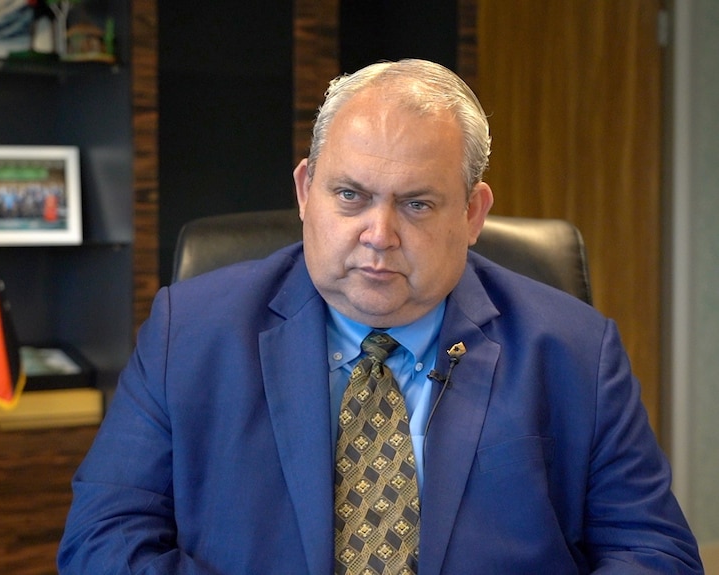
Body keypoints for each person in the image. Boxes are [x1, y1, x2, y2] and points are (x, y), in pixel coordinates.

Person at [57, 59, 703, 574]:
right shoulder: (189, 331)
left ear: (473, 214)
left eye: (418, 204)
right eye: (350, 195)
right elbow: (103, 539)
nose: (378, 233)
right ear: (306, 191)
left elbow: (653, 549)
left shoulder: (575, 348)